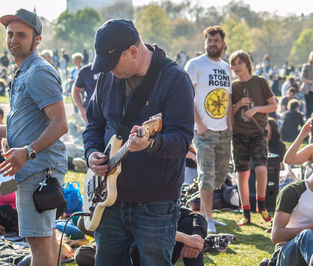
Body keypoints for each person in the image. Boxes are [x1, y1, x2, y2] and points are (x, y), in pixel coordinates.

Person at [83, 19, 194, 265]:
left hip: (155, 202)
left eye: (113, 63)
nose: (109, 70)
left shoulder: (175, 79)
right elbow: (94, 124)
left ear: (133, 51)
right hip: (107, 199)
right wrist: (91, 153)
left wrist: (151, 144)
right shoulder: (106, 78)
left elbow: (182, 140)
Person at [0, 9, 68, 266]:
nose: (13, 40)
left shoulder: (39, 71)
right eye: (9, 34)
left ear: (36, 40)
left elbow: (61, 124)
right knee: (45, 239)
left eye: (21, 35)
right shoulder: (22, 71)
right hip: (31, 168)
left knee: (38, 245)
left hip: (39, 170)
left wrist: (27, 151)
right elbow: (28, 126)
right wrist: (9, 136)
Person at [185, 25, 232, 233]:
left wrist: (230, 126)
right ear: (205, 43)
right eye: (209, 41)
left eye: (216, 41)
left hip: (224, 131)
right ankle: (208, 220)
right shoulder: (195, 65)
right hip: (204, 131)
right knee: (207, 174)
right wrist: (200, 125)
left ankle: (203, 213)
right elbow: (188, 97)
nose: (213, 44)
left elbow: (228, 98)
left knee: (221, 175)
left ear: (222, 43)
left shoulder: (226, 67)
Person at [229, 49, 277, 226]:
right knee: (242, 174)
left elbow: (273, 106)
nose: (236, 67)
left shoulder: (260, 82)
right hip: (239, 134)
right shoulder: (233, 86)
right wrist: (239, 104)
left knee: (261, 170)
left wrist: (256, 109)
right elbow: (230, 113)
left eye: (239, 63)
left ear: (247, 64)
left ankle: (262, 206)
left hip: (258, 133)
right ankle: (246, 212)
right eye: (233, 64)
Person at [75, 207, 207, 266]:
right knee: (83, 251)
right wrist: (184, 238)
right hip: (123, 246)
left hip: (155, 251)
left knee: (190, 226)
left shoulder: (163, 203)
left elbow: (197, 217)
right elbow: (136, 230)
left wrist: (196, 238)